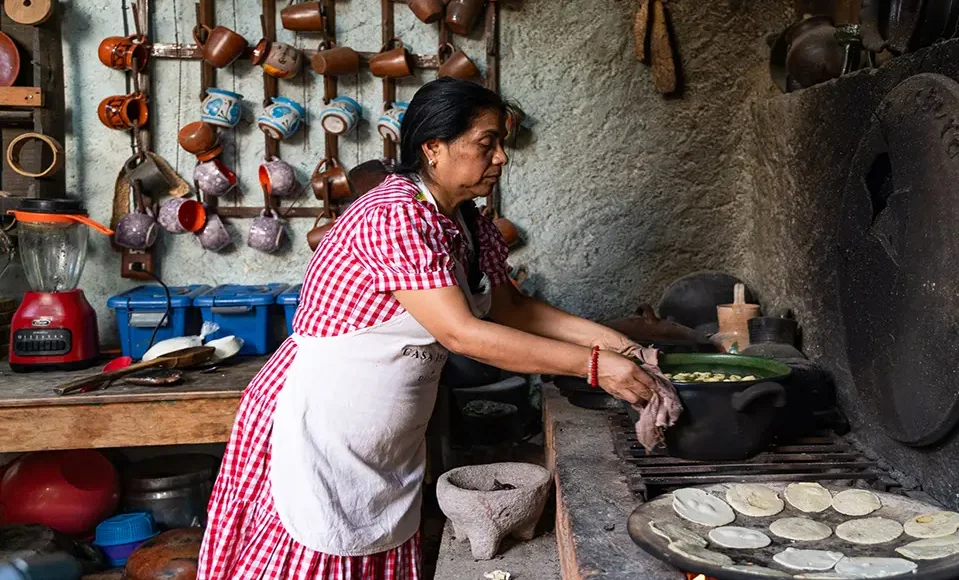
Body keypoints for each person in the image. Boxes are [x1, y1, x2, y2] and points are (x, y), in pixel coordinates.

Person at [197, 78, 657, 580]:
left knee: (371, 540)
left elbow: (514, 310)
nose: (501, 157)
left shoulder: (467, 221)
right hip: (321, 426)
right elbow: (463, 334)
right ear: (433, 148)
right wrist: (594, 367)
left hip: (384, 433)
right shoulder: (394, 217)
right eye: (487, 144)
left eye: (500, 143)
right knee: (317, 548)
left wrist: (618, 344)